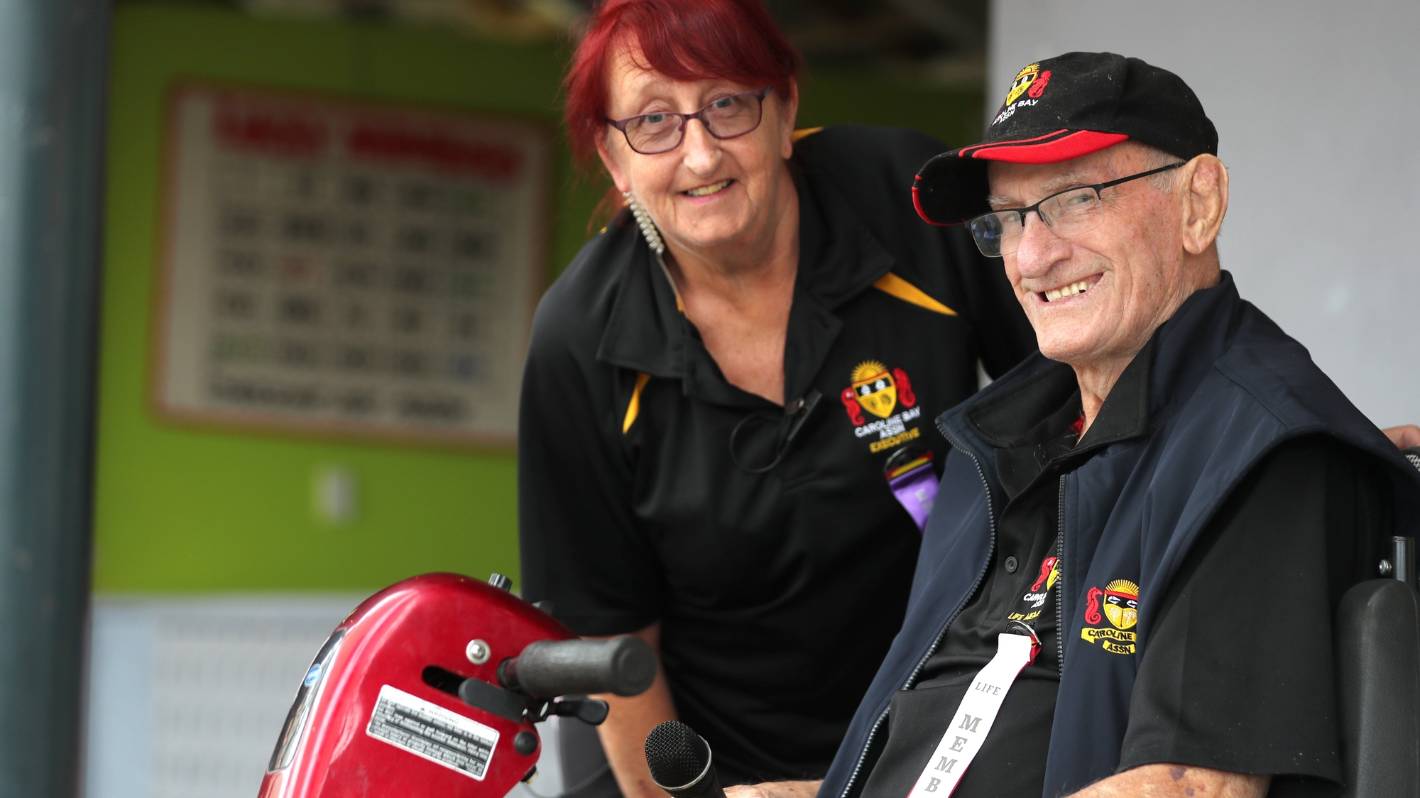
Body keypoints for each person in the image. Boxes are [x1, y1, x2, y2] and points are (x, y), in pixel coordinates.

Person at [734, 52, 1420, 798]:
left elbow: (1189, 788)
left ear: (1199, 205)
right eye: (1008, 219)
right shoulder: (990, 449)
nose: (1033, 256)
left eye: (1076, 198)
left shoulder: (1261, 456)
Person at [515, 0, 1036, 793]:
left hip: (924, 707)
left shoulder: (910, 204)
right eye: (654, 121)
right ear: (614, 160)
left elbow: (1071, 396)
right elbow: (609, 636)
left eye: (727, 104)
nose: (699, 155)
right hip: (678, 741)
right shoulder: (580, 337)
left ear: (784, 107)